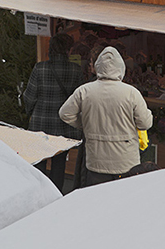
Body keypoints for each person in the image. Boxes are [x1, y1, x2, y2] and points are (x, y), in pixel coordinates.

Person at [59, 46, 153, 187]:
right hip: (126, 161)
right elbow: (145, 123)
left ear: (98, 67)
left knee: (98, 203)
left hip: (96, 161)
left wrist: (84, 124)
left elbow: (65, 114)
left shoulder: (85, 90)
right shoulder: (131, 93)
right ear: (121, 68)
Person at [23, 32, 84, 193]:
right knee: (59, 163)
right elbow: (79, 101)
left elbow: (29, 97)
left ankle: (39, 193)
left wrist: (30, 112)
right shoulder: (76, 71)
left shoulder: (40, 68)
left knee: (39, 162)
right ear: (68, 51)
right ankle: (55, 194)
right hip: (63, 127)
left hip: (40, 125)